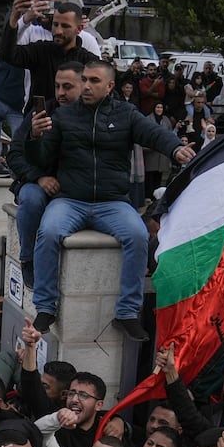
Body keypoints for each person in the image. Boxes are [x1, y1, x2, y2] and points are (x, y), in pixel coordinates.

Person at [27, 60, 194, 341]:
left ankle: (127, 313)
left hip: (112, 202)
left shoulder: (127, 114)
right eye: (85, 80)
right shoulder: (65, 116)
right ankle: (45, 307)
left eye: (94, 81)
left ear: (110, 86)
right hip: (70, 199)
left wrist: (175, 148)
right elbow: (41, 159)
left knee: (138, 235)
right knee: (49, 231)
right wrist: (34, 136)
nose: (88, 86)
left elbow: (154, 134)